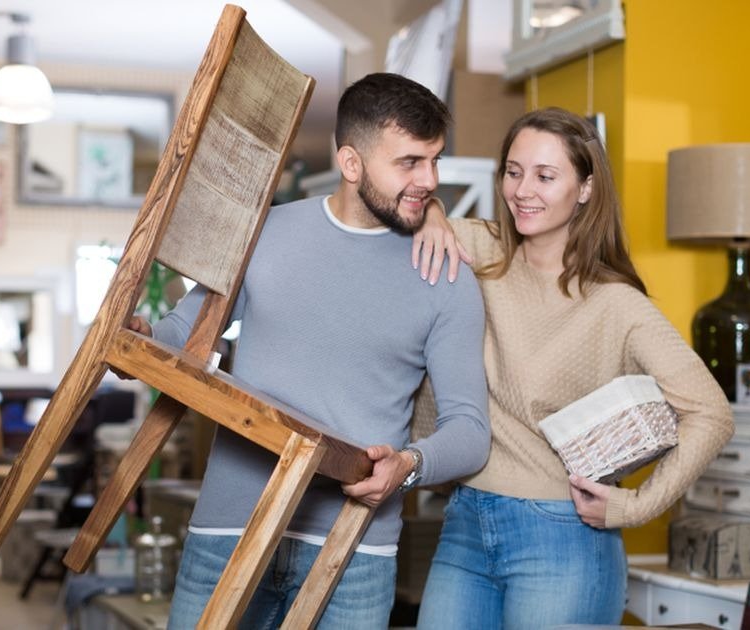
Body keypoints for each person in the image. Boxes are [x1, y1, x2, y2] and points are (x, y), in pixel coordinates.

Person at [130, 73, 490, 629]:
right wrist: (142, 339)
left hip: (353, 555)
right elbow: (186, 331)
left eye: (435, 161)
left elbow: (470, 430)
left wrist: (410, 466)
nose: (430, 180)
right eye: (410, 163)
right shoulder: (264, 232)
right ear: (351, 163)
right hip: (230, 529)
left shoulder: (445, 275)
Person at [409, 107, 735, 628]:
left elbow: (712, 414)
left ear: (584, 188)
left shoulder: (616, 304)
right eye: (513, 172)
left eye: (545, 175)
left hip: (562, 537)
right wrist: (430, 213)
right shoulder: (479, 249)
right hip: (465, 521)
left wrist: (633, 507)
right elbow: (415, 218)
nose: (522, 190)